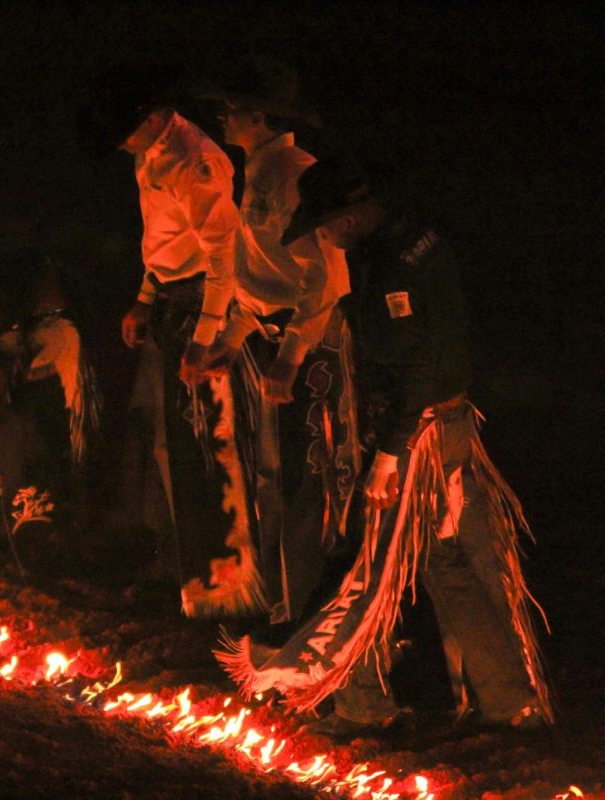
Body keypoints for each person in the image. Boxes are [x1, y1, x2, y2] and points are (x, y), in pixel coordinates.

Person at [217, 159, 552, 736]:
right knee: (444, 564)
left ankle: (356, 699)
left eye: (325, 225)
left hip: (419, 437)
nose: (324, 237)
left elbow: (418, 368)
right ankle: (509, 700)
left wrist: (391, 456)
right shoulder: (420, 242)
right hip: (447, 426)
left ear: (347, 219)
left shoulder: (394, 269)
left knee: (371, 564)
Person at [197, 59, 359, 630]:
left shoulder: (294, 172)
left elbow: (324, 278)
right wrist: (237, 334)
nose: (221, 116)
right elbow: (259, 270)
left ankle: (322, 615)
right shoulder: (260, 170)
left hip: (309, 348)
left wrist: (291, 357)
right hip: (274, 341)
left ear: (257, 116)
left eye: (230, 108)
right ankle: (286, 603)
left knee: (309, 481)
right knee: (271, 476)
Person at [96, 67, 259, 619]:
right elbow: (162, 238)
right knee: (170, 439)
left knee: (207, 444)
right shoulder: (152, 154)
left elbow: (222, 254)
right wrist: (145, 296)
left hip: (199, 305)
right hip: (172, 299)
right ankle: (184, 568)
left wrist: (205, 334)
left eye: (125, 132)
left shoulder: (194, 161)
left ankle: (229, 586)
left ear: (150, 119)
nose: (121, 145)